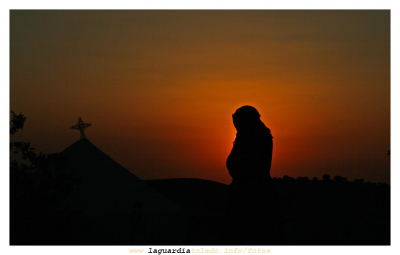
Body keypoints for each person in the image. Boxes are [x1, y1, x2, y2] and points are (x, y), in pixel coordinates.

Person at [224, 105, 285, 244]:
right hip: (245, 190)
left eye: (238, 122)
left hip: (251, 194)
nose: (235, 125)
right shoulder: (249, 136)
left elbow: (253, 167)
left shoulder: (255, 138)